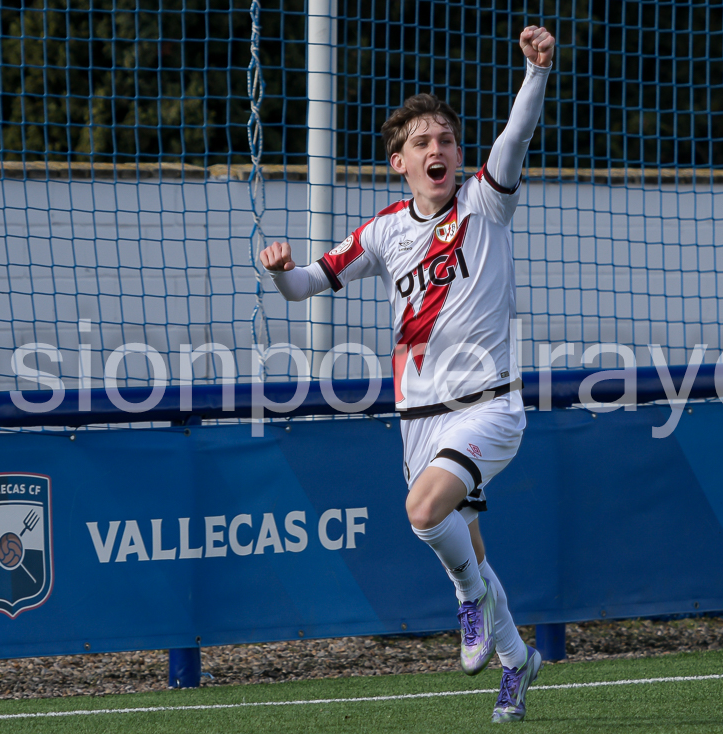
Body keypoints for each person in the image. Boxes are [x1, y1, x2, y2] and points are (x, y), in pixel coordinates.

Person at [259, 25, 555, 723]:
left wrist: (537, 72)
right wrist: (277, 273)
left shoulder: (486, 202)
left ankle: (470, 602)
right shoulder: (384, 231)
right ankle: (518, 661)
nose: (438, 150)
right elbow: (306, 286)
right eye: (422, 142)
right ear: (399, 161)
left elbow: (513, 138)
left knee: (424, 515)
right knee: (469, 545)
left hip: (487, 407)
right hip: (418, 423)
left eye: (446, 140)